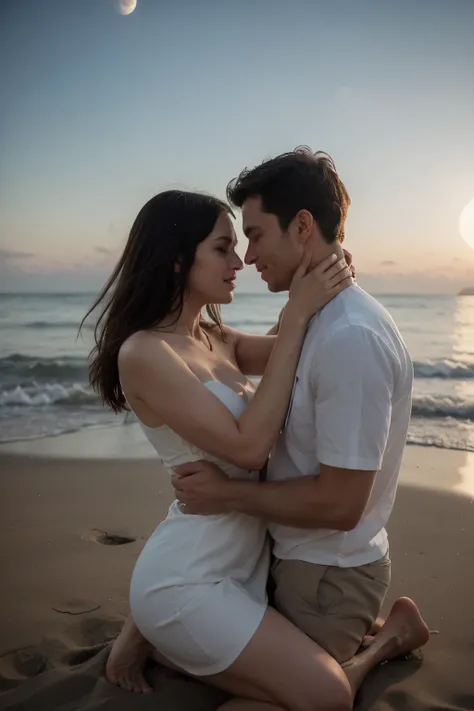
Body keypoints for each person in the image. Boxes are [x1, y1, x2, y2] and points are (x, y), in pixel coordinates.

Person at [83, 188, 362, 711]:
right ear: (175, 259)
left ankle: (149, 639)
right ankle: (153, 628)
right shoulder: (145, 352)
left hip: (242, 569)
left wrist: (316, 277)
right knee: (328, 697)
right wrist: (297, 311)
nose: (239, 262)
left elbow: (298, 353)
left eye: (239, 246)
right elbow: (251, 447)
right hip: (188, 581)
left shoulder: (215, 337)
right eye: (222, 248)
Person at [170, 147, 430, 692]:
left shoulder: (349, 338)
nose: (247, 254)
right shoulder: (315, 319)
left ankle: (377, 647)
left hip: (325, 578)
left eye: (257, 234)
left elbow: (340, 504)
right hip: (286, 560)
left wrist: (228, 495)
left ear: (303, 226)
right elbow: (240, 353)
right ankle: (379, 636)